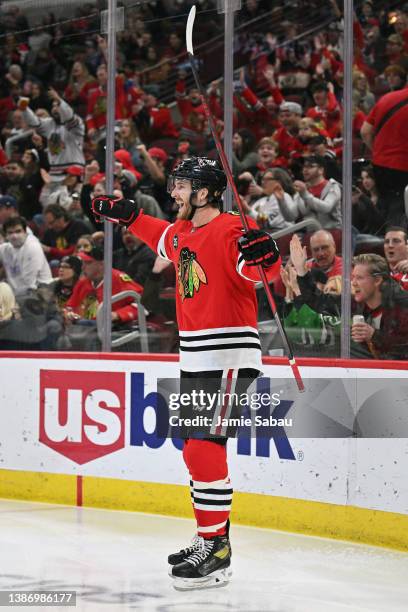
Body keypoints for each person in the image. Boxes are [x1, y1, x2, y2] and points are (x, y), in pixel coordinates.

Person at [91, 157, 281, 590]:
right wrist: (132, 216)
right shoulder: (183, 232)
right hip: (197, 357)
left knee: (202, 448)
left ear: (204, 192)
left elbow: (256, 271)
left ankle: (215, 546)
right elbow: (162, 236)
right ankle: (210, 537)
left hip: (228, 354)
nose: (173, 192)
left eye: (181, 186)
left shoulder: (233, 227)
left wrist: (267, 255)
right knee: (195, 451)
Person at [360, 86, 408, 227]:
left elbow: (365, 131)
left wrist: (378, 152)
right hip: (404, 165)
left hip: (381, 165)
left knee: (390, 207)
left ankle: (389, 242)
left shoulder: (386, 98)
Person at [351, 253, 408, 359]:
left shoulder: (403, 308)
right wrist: (308, 274)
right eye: (353, 277)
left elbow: (403, 351)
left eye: (359, 278)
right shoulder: (358, 301)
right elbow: (324, 301)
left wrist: (374, 336)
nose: (353, 283)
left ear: (377, 280)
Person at [0, 216, 52, 295]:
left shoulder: (33, 247)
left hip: (38, 293)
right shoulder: (5, 249)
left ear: (25, 232)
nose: (14, 236)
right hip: (16, 294)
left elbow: (28, 283)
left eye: (18, 231)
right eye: (10, 232)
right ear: (6, 235)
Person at [294, 155, 342, 229]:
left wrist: (304, 194)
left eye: (310, 166)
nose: (305, 170)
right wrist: (281, 200)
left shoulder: (332, 186)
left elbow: (326, 208)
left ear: (321, 170)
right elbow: (292, 216)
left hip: (332, 232)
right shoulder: (302, 189)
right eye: (304, 166)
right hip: (311, 234)